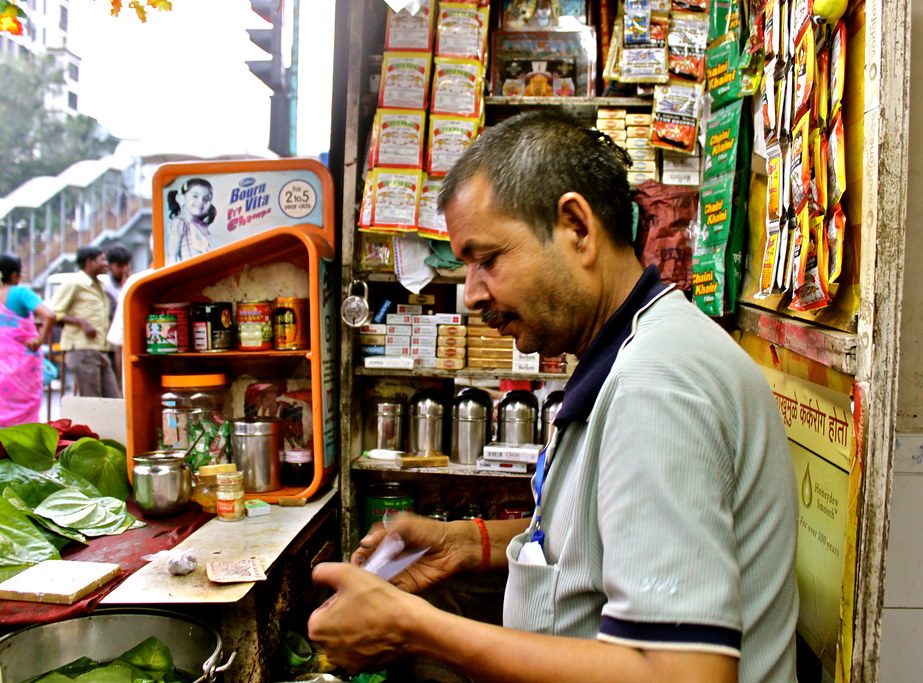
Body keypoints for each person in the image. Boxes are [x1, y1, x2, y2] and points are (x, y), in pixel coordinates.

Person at [308, 111, 798, 682]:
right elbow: (615, 538)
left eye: (486, 259)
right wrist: (470, 543)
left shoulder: (657, 386)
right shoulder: (627, 352)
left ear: (577, 228)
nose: (470, 295)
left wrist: (414, 629)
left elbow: (679, 675)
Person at [49, 246, 120, 398]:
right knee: (91, 399)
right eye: (102, 259)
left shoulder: (100, 285)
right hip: (82, 349)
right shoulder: (74, 283)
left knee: (112, 398)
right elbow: (53, 313)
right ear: (90, 262)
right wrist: (81, 323)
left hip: (100, 349)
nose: (106, 263)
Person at [0, 254, 57, 426]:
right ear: (15, 275)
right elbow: (50, 315)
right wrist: (39, 340)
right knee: (24, 414)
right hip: (23, 363)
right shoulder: (20, 292)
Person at [103, 244, 132, 384]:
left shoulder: (130, 281)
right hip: (108, 336)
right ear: (109, 266)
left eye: (126, 265)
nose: (124, 269)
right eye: (119, 265)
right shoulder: (104, 285)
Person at [167, 177, 216, 262]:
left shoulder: (202, 225)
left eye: (206, 199)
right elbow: (172, 255)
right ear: (181, 199)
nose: (201, 202)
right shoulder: (180, 222)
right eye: (195, 196)